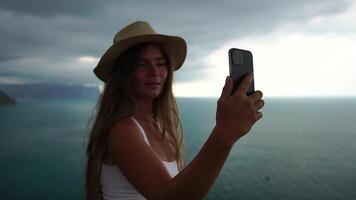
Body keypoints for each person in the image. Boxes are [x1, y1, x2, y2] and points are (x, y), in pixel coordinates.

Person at [85, 21, 264, 200]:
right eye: (142, 64)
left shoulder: (159, 125)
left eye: (161, 63)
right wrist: (226, 131)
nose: (155, 72)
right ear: (123, 74)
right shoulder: (123, 129)